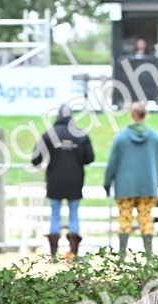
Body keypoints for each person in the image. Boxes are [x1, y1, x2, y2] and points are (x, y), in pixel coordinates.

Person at [103, 102, 158, 259]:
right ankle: (149, 258)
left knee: (124, 221)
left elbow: (112, 163)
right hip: (148, 186)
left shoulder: (121, 137)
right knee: (146, 221)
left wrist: (107, 183)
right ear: (146, 115)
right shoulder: (155, 136)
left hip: (125, 188)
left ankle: (122, 256)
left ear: (131, 115)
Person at [32, 104, 95, 259]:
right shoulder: (81, 135)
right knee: (74, 214)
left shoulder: (49, 135)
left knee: (55, 215)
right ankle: (73, 254)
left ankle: (53, 254)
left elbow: (35, 158)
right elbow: (90, 158)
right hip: (75, 181)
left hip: (54, 181)